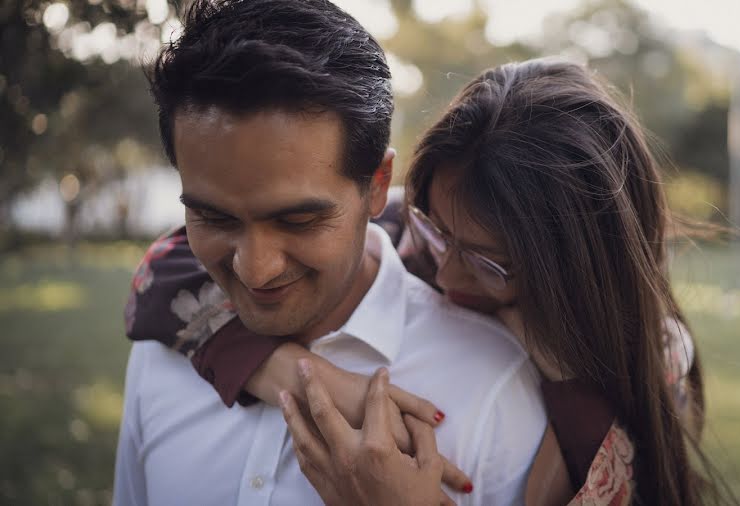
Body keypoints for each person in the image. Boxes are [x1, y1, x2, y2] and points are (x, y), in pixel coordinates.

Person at [124, 60, 724, 505]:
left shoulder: (613, 378)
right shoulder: (398, 220)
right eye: (439, 232)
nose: (447, 270)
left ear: (575, 276)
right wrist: (300, 375)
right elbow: (163, 271)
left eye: (490, 264)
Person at [111, 1, 548, 505]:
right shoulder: (162, 354)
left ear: (377, 185)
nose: (254, 269)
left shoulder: (497, 390)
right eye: (215, 217)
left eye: (298, 220)